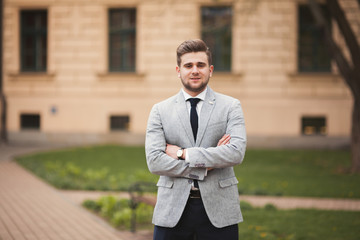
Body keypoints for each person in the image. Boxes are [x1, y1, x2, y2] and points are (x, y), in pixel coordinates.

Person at [145, 39, 247, 240]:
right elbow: (155, 161)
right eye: (188, 65)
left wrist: (183, 154)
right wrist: (207, 164)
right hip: (172, 211)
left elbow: (235, 152)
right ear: (178, 70)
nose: (194, 70)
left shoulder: (231, 106)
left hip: (219, 210)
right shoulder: (160, 110)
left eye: (200, 65)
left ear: (210, 70)